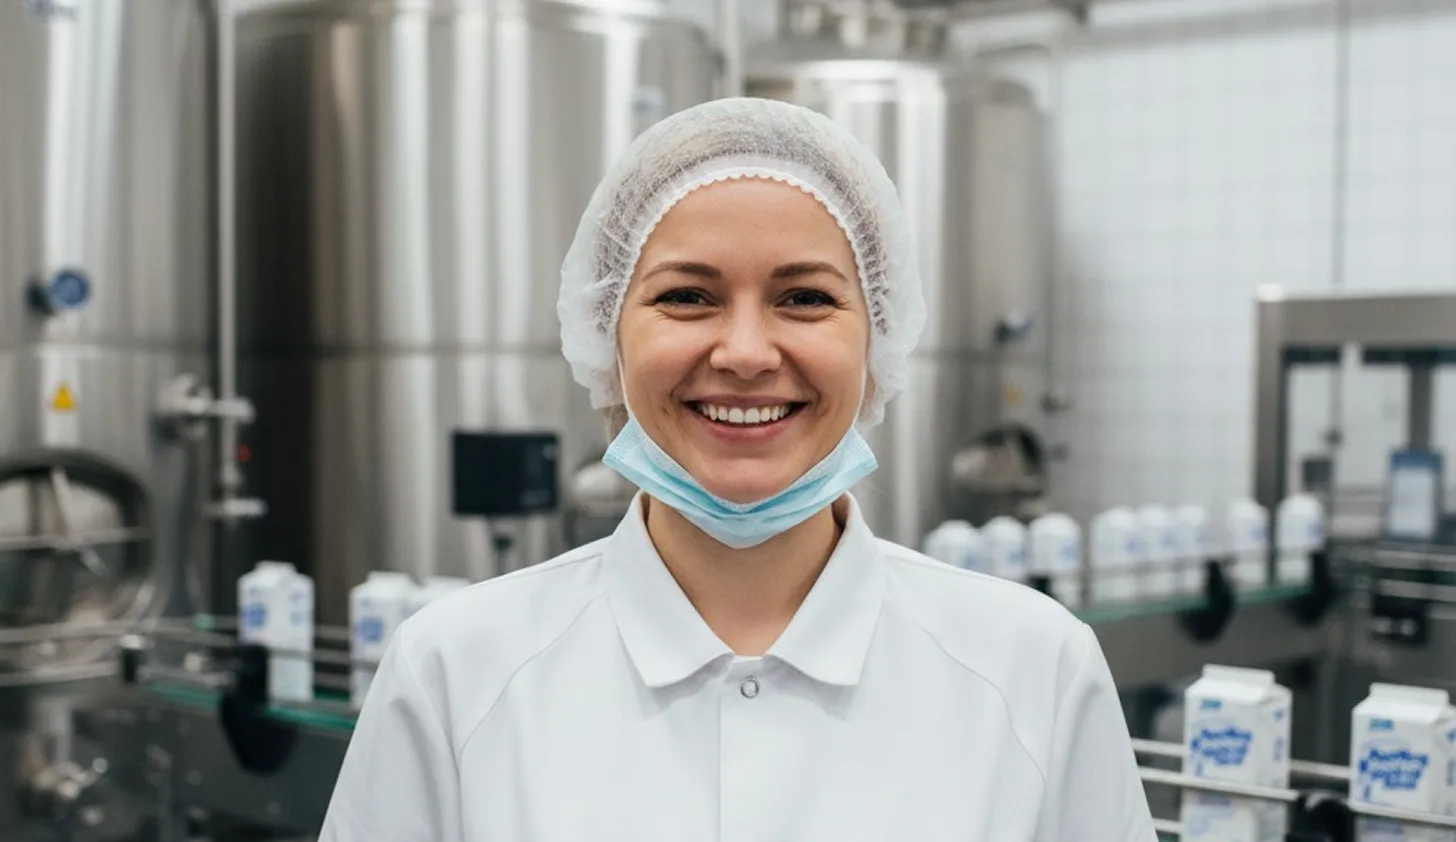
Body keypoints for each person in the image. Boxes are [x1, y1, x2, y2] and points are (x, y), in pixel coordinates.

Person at [318, 97, 1157, 841]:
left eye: (805, 298)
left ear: (880, 338)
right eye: (687, 296)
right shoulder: (455, 673)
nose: (747, 353)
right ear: (606, 334)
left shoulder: (1034, 669)